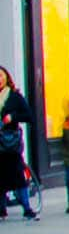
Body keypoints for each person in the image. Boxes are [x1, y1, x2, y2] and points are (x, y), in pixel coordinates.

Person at [0, 67, 31, 221]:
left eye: (0, 76)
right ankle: (2, 210)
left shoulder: (14, 96)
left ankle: (27, 207)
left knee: (18, 174)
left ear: (6, 77)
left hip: (10, 143)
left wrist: (13, 117)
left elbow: (28, 115)